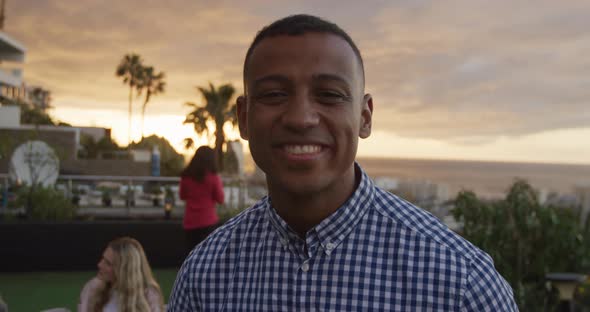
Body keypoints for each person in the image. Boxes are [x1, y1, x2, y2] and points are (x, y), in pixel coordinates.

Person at [168, 14, 518, 311]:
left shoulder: (461, 285)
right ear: (244, 118)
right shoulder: (205, 276)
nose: (301, 118)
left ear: (365, 117)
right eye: (274, 94)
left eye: (329, 95)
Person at [78, 237, 164, 312]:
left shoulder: (149, 294)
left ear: (123, 270)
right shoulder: (93, 288)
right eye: (103, 258)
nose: (100, 265)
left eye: (108, 263)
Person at [179, 145, 224, 253]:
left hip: (190, 223)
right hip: (208, 222)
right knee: (208, 258)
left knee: (190, 256)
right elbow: (220, 199)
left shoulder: (186, 176)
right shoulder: (213, 177)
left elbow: (182, 196)